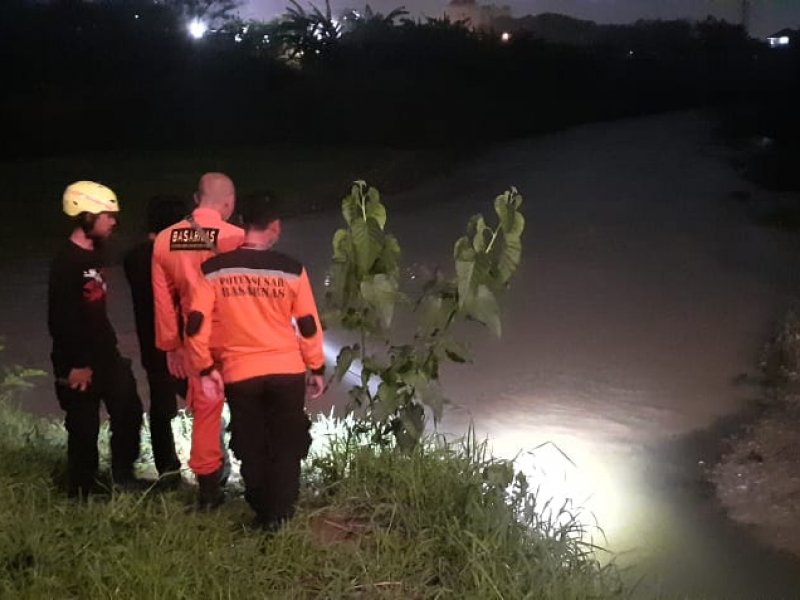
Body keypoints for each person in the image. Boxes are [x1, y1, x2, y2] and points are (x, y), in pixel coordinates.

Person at [185, 193, 325, 530]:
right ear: (274, 227)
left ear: (242, 225)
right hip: (287, 371)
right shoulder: (292, 270)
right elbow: (308, 323)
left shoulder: (214, 269)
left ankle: (263, 510)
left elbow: (196, 325)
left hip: (240, 372)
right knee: (286, 441)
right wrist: (316, 367)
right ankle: (281, 512)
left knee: (250, 442)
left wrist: (205, 367)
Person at [151, 173, 244, 507]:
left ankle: (208, 494)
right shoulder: (236, 236)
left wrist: (171, 347)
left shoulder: (164, 240)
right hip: (237, 337)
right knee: (250, 405)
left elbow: (163, 303)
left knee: (205, 412)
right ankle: (258, 480)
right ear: (228, 203)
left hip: (195, 339)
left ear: (196, 198)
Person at [48, 181, 144, 498]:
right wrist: (76, 365)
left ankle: (123, 477)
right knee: (84, 426)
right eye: (107, 215)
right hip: (77, 359)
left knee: (129, 410)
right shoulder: (67, 261)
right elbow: (59, 319)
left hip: (105, 352)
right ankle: (82, 490)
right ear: (86, 215)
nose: (113, 221)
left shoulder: (96, 253)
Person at [123, 195, 187, 482]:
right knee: (203, 400)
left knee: (161, 406)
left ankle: (168, 468)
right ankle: (211, 463)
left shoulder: (132, 258)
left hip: (151, 342)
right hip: (182, 344)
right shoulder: (175, 254)